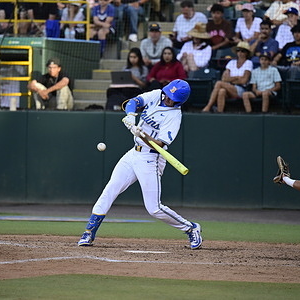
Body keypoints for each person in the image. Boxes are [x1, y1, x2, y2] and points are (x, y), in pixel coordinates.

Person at [77, 79, 203, 250]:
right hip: (133, 154)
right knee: (110, 189)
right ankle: (89, 232)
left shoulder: (174, 116)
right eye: (168, 94)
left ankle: (191, 228)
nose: (167, 98)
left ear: (179, 101)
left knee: (154, 208)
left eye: (172, 98)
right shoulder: (157, 94)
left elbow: (160, 144)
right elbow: (134, 102)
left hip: (151, 158)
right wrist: (130, 116)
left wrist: (143, 135)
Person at [201, 41, 253, 113]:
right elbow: (224, 78)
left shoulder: (248, 63)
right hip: (229, 87)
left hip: (241, 89)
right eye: (238, 50)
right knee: (222, 91)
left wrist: (230, 79)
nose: (240, 53)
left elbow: (243, 81)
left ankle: (208, 106)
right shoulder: (231, 62)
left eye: (243, 51)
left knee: (219, 83)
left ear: (247, 53)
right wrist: (237, 77)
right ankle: (220, 112)